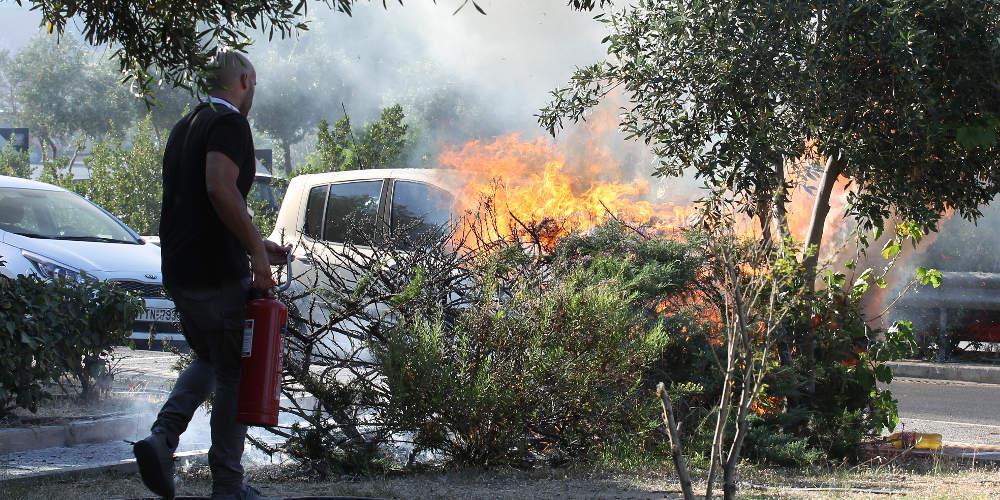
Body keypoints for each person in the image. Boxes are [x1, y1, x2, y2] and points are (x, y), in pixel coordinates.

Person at [133, 50, 288, 500]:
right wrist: (256, 259)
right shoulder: (230, 124)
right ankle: (227, 484)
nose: (253, 94)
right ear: (243, 79)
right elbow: (219, 188)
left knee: (212, 358)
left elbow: (201, 204)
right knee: (233, 371)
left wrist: (256, 243)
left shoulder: (187, 125)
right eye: (253, 84)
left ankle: (161, 440)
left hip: (181, 269)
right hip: (216, 272)